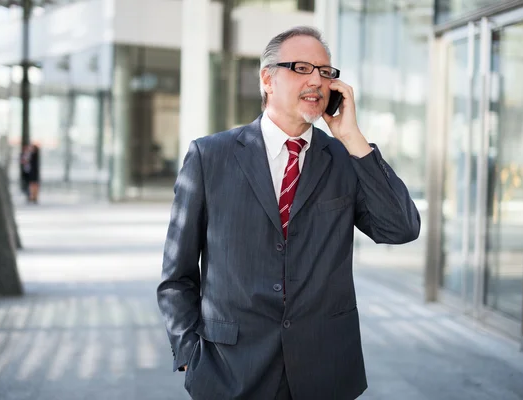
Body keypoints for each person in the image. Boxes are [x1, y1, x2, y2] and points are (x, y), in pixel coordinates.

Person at [157, 26, 420, 400]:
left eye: (326, 72)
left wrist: (354, 139)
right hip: (230, 372)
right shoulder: (209, 156)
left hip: (324, 371)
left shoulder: (347, 159)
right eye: (301, 68)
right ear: (267, 79)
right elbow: (176, 275)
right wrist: (188, 354)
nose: (317, 80)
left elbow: (401, 228)